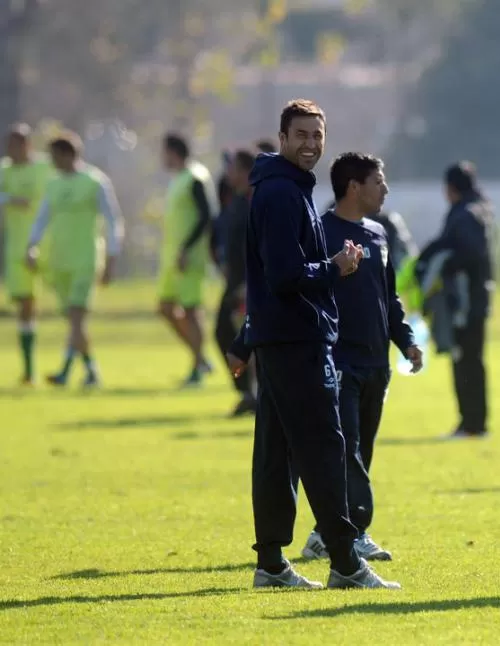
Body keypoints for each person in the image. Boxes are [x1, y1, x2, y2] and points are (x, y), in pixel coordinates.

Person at [227, 99, 399, 590]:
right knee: (325, 449)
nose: (310, 144)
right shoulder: (282, 193)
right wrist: (336, 267)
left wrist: (248, 340)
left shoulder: (286, 188)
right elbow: (283, 275)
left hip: (281, 339)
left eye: (317, 136)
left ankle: (272, 564)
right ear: (282, 138)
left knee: (276, 454)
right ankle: (346, 563)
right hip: (298, 341)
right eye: (301, 135)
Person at [300, 152, 422, 564]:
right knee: (347, 448)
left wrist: (405, 340)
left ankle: (323, 533)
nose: (385, 189)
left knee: (361, 450)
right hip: (339, 362)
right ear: (354, 186)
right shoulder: (320, 232)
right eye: (379, 181)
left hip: (376, 363)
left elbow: (388, 297)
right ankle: (355, 533)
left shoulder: (378, 234)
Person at [25, 133, 123, 388]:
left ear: (69, 154)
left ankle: (67, 371)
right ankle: (90, 369)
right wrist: (32, 246)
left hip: (86, 258)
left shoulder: (94, 181)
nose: (52, 161)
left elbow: (112, 220)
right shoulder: (53, 184)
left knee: (77, 317)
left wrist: (112, 256)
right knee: (73, 321)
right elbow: (42, 217)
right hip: (59, 260)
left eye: (55, 155)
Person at [415, 161, 495, 439]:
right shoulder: (477, 209)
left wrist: (442, 265)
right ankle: (473, 422)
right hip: (476, 298)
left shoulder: (466, 214)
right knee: (470, 360)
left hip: (465, 302)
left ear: (450, 188)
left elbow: (467, 254)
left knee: (466, 361)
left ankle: (472, 424)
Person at [158, 133, 216, 387]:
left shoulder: (195, 178)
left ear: (174, 152)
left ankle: (196, 369)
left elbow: (206, 216)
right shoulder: (177, 179)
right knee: (165, 308)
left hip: (189, 257)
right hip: (172, 256)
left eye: (165, 152)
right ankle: (201, 357)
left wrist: (187, 248)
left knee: (192, 311)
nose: (162, 157)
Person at [1, 124, 52, 385]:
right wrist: (9, 198)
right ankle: (29, 369)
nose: (12, 150)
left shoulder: (44, 167)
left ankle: (79, 365)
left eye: (17, 144)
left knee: (70, 305)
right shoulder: (5, 170)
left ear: (28, 145)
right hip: (17, 248)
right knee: (25, 305)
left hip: (49, 244)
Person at [213, 149, 257, 417]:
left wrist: (250, 284)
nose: (228, 174)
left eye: (233, 168)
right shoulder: (237, 201)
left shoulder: (257, 202)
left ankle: (258, 395)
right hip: (234, 282)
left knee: (253, 341)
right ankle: (247, 392)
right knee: (224, 334)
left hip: (249, 284)